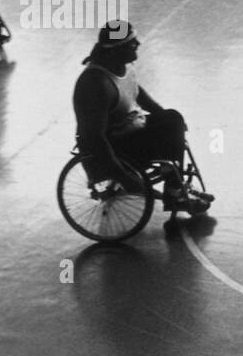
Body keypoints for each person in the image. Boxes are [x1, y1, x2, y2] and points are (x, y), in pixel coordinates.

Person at [72, 21, 211, 213]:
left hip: (132, 133)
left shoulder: (124, 67)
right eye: (131, 42)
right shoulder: (96, 84)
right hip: (117, 146)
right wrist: (123, 177)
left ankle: (175, 185)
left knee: (172, 118)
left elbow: (141, 97)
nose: (138, 43)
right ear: (114, 50)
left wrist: (171, 121)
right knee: (170, 129)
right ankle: (174, 191)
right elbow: (95, 137)